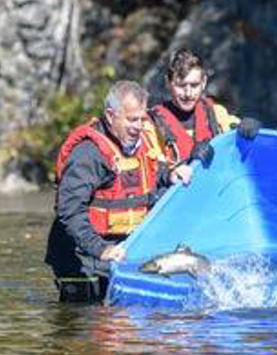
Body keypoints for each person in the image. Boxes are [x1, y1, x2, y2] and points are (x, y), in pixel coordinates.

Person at [45, 80, 192, 303]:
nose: (138, 126)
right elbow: (69, 209)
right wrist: (100, 249)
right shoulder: (88, 153)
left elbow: (152, 173)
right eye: (131, 119)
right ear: (111, 116)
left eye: (142, 120)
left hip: (118, 252)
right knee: (85, 326)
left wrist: (170, 174)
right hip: (82, 258)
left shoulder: (142, 145)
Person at [148, 48, 261, 168]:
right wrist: (189, 163)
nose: (188, 93)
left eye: (194, 85)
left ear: (204, 82)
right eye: (181, 85)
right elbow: (154, 173)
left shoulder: (216, 114)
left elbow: (236, 130)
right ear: (168, 83)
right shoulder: (152, 125)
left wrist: (247, 127)